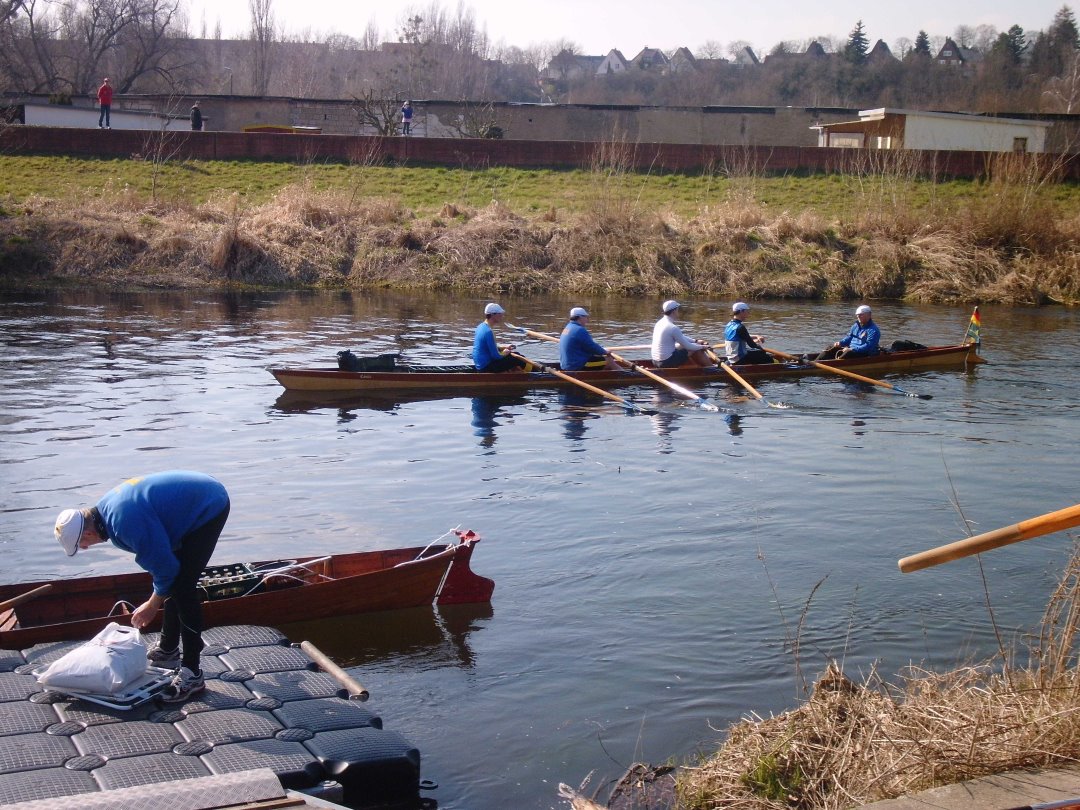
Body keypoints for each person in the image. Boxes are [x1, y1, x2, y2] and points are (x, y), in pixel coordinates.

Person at [53, 471, 230, 703]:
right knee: (175, 582)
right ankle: (168, 650)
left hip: (208, 503)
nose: (85, 548)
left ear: (87, 532)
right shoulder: (106, 512)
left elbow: (166, 570)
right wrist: (158, 593)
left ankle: (192, 673)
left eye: (81, 543)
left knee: (183, 588)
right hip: (190, 499)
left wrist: (152, 605)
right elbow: (163, 566)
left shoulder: (123, 524)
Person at [651, 300, 714, 368]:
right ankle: (711, 368)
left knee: (691, 345)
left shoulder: (659, 323)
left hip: (655, 361)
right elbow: (689, 346)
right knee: (696, 348)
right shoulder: (672, 327)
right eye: (677, 310)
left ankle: (696, 366)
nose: (678, 312)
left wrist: (696, 341)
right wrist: (703, 347)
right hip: (666, 362)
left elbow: (680, 337)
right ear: (674, 311)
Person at [473, 303, 530, 373]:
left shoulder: (481, 326)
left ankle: (518, 371)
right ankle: (534, 374)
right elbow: (496, 356)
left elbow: (489, 347)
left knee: (516, 354)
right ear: (493, 315)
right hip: (486, 368)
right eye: (500, 314)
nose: (502, 316)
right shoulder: (488, 332)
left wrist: (503, 347)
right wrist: (504, 353)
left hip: (481, 365)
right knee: (518, 359)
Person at [815, 304, 881, 361]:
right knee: (830, 348)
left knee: (847, 353)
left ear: (869, 315)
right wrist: (841, 343)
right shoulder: (856, 326)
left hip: (863, 353)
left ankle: (835, 363)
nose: (858, 316)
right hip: (851, 349)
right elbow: (849, 337)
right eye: (857, 315)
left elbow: (869, 346)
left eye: (861, 315)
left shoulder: (874, 330)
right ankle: (815, 362)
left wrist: (852, 349)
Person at [724, 301, 774, 365]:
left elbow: (741, 336)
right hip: (740, 359)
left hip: (731, 357)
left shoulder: (729, 324)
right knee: (768, 358)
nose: (748, 314)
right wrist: (762, 350)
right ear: (741, 312)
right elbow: (752, 345)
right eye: (747, 311)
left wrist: (756, 336)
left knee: (755, 351)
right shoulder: (740, 327)